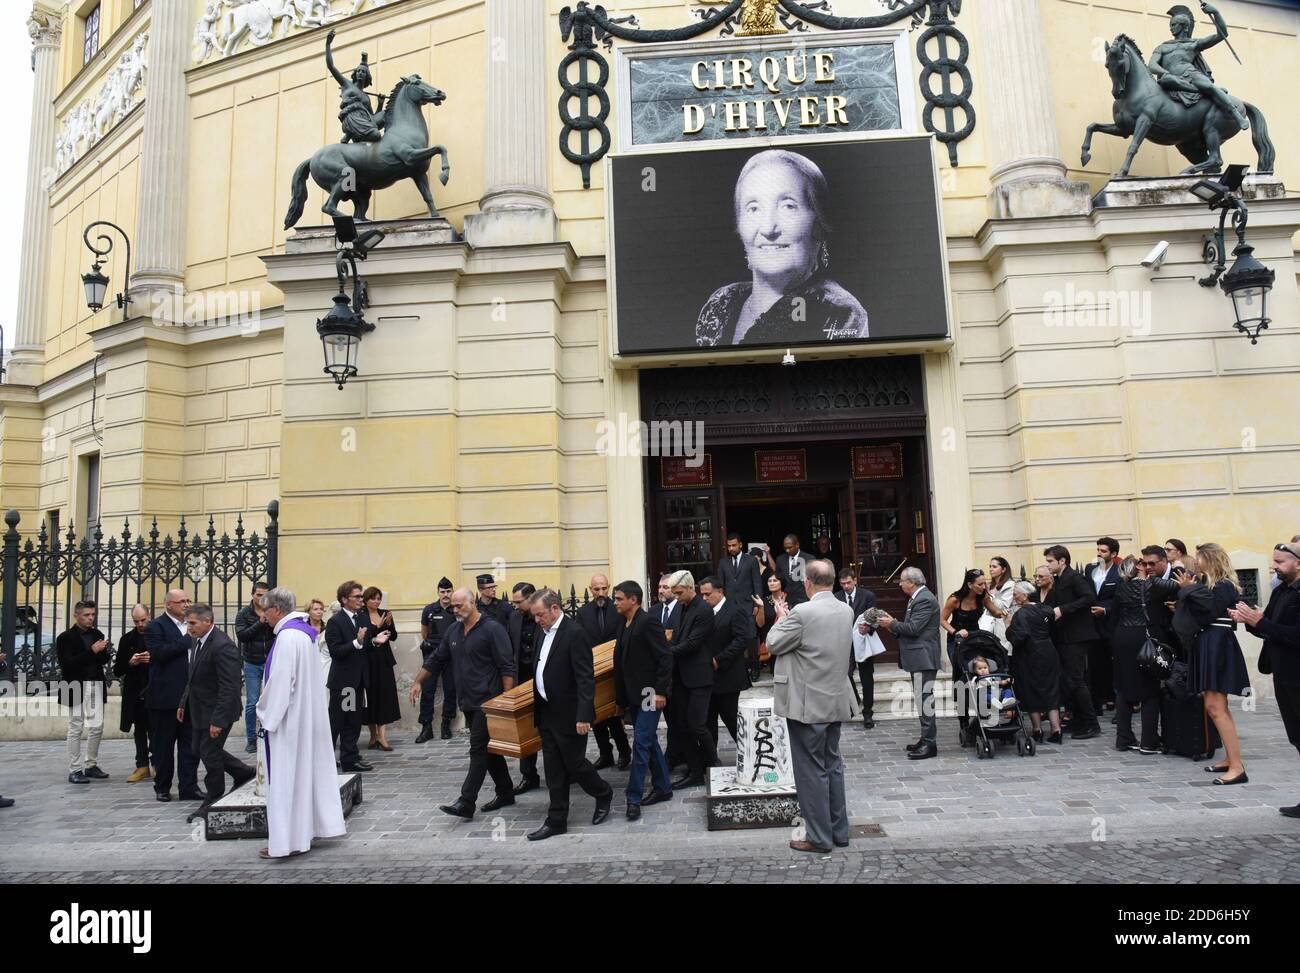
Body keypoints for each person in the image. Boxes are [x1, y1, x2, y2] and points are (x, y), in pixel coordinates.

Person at [695, 148, 868, 347]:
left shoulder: (839, 311)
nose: (768, 228)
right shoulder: (722, 302)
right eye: (753, 208)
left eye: (788, 206)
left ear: (819, 225)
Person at [767, 558, 857, 853]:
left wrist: (780, 616)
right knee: (833, 766)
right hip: (835, 699)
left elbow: (773, 644)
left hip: (807, 703)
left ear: (807, 582)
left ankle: (819, 837)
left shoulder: (803, 612)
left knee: (811, 771)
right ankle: (839, 831)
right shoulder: (846, 609)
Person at [255, 586, 347, 860]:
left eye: (265, 611)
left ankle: (285, 841)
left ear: (276, 609)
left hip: (288, 724)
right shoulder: (304, 635)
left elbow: (282, 685)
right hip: (305, 718)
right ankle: (303, 833)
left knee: (286, 782)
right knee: (304, 778)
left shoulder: (286, 639)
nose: (263, 617)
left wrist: (264, 715)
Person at [415, 588, 516, 821]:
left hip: (489, 702)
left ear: (473, 603)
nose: (455, 609)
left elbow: (506, 665)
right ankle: (506, 792)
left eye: (459, 605)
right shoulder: (454, 630)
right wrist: (418, 682)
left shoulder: (492, 629)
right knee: (489, 749)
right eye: (452, 606)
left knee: (478, 748)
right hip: (468, 701)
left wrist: (507, 698)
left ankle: (466, 801)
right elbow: (437, 658)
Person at [1154, 543, 1251, 785]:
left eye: (1199, 558)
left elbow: (1209, 611)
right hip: (1209, 644)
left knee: (1216, 708)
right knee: (1216, 707)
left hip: (1216, 645)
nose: (1196, 562)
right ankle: (1231, 759)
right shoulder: (1212, 585)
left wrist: (1190, 589)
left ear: (1211, 560)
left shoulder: (1224, 585)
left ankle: (1237, 767)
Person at [524, 589, 613, 840]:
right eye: (534, 616)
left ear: (555, 609)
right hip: (547, 712)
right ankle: (557, 820)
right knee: (553, 768)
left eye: (540, 614)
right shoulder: (542, 633)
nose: (537, 620)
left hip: (571, 714)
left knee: (575, 765)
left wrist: (584, 715)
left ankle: (603, 792)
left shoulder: (575, 634)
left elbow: (585, 678)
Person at [1231, 542, 1300, 816]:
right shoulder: (1282, 591)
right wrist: (1247, 621)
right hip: (1283, 675)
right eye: (1274, 561)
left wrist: (1260, 622)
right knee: (1296, 738)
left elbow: (1294, 635)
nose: (1274, 566)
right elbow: (1267, 629)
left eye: (1281, 562)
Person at [178, 604, 254, 821]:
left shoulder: (223, 646)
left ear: (207, 622)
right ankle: (243, 772)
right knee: (199, 748)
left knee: (210, 753)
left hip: (218, 711)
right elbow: (193, 678)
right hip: (200, 708)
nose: (189, 627)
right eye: (187, 622)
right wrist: (183, 703)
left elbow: (229, 687)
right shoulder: (198, 641)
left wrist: (218, 720)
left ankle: (213, 798)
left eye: (192, 623)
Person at [612, 580, 673, 820]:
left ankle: (633, 797)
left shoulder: (648, 622)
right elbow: (621, 664)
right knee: (649, 742)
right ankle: (663, 787)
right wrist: (620, 700)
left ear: (633, 600)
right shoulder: (623, 623)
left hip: (649, 694)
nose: (615, 602)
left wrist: (660, 692)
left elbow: (665, 657)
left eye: (619, 598)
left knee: (641, 743)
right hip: (633, 695)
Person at [1148, 3, 1249, 130]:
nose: (1171, 28)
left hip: (1189, 74)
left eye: (1174, 25)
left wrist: (1215, 12)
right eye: (1170, 25)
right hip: (1169, 78)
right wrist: (1165, 73)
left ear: (1184, 27)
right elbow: (1152, 65)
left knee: (1208, 86)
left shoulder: (1193, 44)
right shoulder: (1163, 47)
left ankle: (1236, 114)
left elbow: (1221, 34)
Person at [878, 567, 941, 760]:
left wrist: (891, 623)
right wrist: (893, 626)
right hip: (918, 657)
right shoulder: (917, 598)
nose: (900, 583)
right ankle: (925, 738)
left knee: (925, 700)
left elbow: (913, 628)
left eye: (902, 580)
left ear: (912, 582)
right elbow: (910, 628)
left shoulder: (924, 599)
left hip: (924, 657)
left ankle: (930, 743)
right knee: (922, 699)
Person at [146, 589, 203, 802]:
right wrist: (186, 640)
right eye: (182, 602)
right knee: (163, 746)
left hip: (190, 697)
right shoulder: (156, 626)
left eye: (188, 601)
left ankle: (189, 786)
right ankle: (162, 786)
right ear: (169, 604)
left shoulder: (194, 625)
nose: (187, 605)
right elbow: (159, 653)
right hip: (165, 697)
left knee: (190, 745)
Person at [666, 570, 718, 789]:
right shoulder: (678, 607)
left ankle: (713, 762)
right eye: (674, 593)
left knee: (697, 724)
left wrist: (664, 653)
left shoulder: (704, 610)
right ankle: (695, 769)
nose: (676, 597)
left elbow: (693, 643)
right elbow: (669, 633)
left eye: (679, 593)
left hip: (698, 677)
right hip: (679, 677)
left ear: (690, 588)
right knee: (682, 725)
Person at [1043, 545, 1102, 740]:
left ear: (1062, 561)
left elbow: (1089, 598)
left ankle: (1092, 724)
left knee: (1077, 680)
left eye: (1050, 561)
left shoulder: (1074, 578)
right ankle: (1078, 720)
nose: (1048, 565)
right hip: (1065, 637)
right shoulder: (1058, 580)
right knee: (1069, 681)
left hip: (1077, 636)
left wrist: (1063, 609)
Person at [941, 569, 1006, 741]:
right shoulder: (955, 599)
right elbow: (942, 620)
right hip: (957, 640)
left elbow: (994, 611)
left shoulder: (982, 596)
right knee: (963, 675)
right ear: (969, 584)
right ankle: (963, 720)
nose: (983, 586)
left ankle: (985, 709)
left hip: (975, 639)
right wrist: (955, 631)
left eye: (985, 583)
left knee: (979, 671)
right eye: (980, 584)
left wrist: (1003, 613)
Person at [577, 573, 631, 770]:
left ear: (609, 588)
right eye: (596, 589)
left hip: (616, 670)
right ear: (590, 590)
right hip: (593, 671)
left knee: (615, 715)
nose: (601, 593)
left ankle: (624, 752)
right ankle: (605, 753)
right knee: (596, 717)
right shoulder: (583, 613)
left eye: (604, 589)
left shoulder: (618, 609)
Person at [1109, 557, 1162, 755]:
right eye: (1143, 563)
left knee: (1123, 688)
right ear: (1138, 567)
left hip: (1122, 637)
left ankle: (1123, 738)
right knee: (1149, 689)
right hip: (1143, 637)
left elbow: (1113, 617)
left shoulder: (1121, 588)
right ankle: (1149, 742)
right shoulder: (1151, 586)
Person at [57, 601, 110, 785]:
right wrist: (92, 651)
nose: (90, 618)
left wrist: (103, 650)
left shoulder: (97, 634)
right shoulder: (65, 637)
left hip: (95, 682)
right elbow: (67, 664)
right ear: (76, 615)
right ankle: (75, 769)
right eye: (87, 615)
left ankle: (91, 764)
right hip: (74, 685)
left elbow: (104, 659)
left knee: (97, 726)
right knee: (75, 727)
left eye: (92, 615)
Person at [700, 575, 755, 746]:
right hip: (708, 677)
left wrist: (719, 660)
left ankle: (749, 751)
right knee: (708, 720)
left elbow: (741, 640)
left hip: (728, 675)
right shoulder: (704, 612)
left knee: (730, 718)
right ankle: (709, 759)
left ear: (720, 591)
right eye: (702, 594)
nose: (704, 598)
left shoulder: (735, 610)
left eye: (707, 594)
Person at [324, 580, 372, 773]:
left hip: (357, 680)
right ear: (344, 599)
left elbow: (364, 645)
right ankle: (324, 758)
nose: (361, 600)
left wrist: (374, 641)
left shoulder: (362, 618)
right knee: (338, 721)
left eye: (361, 596)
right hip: (344, 683)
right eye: (357, 596)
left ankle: (349, 758)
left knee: (352, 721)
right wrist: (355, 642)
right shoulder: (335, 622)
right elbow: (336, 651)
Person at [1006, 581, 1062, 743]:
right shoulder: (1046, 609)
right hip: (1048, 652)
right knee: (1051, 689)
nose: (1014, 596)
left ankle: (1037, 730)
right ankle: (1056, 729)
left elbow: (1018, 638)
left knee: (1031, 690)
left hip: (1029, 654)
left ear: (1025, 596)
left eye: (1016, 593)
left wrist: (1008, 626)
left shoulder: (1021, 614)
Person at [507, 581, 542, 793]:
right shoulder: (514, 618)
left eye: (519, 602)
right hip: (522, 682)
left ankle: (567, 770)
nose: (516, 606)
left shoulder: (545, 617)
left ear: (530, 598)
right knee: (525, 730)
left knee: (551, 730)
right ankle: (529, 776)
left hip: (544, 682)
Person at [113, 604, 153, 783]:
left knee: (157, 730)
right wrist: (131, 662)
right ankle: (142, 764)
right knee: (140, 730)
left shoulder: (158, 635)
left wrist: (152, 658)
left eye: (143, 620)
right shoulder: (127, 639)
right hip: (135, 690)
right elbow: (117, 669)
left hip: (155, 688)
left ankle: (157, 763)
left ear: (149, 616)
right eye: (136, 621)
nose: (140, 624)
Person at [324, 28, 386, 144]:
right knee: (376, 135)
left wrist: (380, 103)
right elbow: (331, 66)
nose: (360, 73)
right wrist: (328, 44)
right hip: (352, 117)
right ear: (355, 73)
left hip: (364, 120)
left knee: (386, 114)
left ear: (367, 76)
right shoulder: (347, 84)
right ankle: (350, 133)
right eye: (358, 71)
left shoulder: (366, 98)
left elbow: (372, 118)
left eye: (363, 72)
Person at [358, 586, 400, 751]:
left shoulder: (385, 612)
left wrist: (388, 625)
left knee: (384, 696)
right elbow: (364, 638)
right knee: (370, 698)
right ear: (366, 600)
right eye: (373, 598)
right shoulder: (361, 615)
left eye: (378, 598)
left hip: (383, 661)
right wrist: (377, 627)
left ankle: (382, 736)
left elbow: (394, 637)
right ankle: (373, 735)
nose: (376, 601)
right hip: (367, 660)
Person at [1084, 537, 1121, 715]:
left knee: (1114, 664)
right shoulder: (1090, 568)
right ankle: (1096, 701)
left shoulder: (1119, 572)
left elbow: (1121, 598)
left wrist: (1106, 610)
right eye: (1098, 550)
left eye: (1103, 551)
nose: (1099, 553)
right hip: (1092, 625)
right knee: (1095, 664)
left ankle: (1114, 698)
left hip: (1111, 623)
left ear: (1113, 554)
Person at [417, 579, 457, 742]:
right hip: (432, 654)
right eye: (443, 592)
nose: (446, 595)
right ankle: (426, 727)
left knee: (451, 689)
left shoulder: (456, 609)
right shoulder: (429, 610)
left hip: (451, 654)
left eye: (448, 591)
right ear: (438, 592)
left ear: (452, 592)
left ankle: (446, 724)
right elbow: (424, 632)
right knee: (427, 690)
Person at [234, 583, 273, 755]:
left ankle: (270, 735)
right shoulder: (244, 613)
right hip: (251, 662)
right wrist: (259, 622)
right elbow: (242, 636)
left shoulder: (273, 611)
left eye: (265, 595)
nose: (261, 598)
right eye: (258, 595)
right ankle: (251, 739)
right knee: (252, 702)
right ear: (252, 595)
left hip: (271, 661)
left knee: (272, 700)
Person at [838, 568, 876, 728]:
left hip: (863, 641)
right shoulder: (837, 597)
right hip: (845, 642)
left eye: (848, 582)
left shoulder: (867, 595)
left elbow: (873, 616)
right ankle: (855, 700)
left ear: (855, 580)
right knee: (846, 674)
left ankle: (868, 713)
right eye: (842, 584)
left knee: (867, 677)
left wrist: (869, 627)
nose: (846, 586)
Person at [719, 533, 764, 606]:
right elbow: (721, 585)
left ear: (740, 545)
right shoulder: (723, 562)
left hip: (748, 604)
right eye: (729, 546)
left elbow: (757, 584)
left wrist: (756, 605)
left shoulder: (751, 560)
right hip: (729, 604)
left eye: (734, 545)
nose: (731, 548)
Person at [981, 557, 1016, 649]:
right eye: (990, 566)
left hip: (1002, 625)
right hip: (987, 625)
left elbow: (1003, 607)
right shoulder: (989, 585)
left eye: (994, 566)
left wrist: (989, 596)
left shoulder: (1010, 585)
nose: (990, 569)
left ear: (1003, 569)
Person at [776, 534, 813, 607]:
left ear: (797, 545)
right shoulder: (780, 559)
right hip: (787, 600)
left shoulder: (809, 559)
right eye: (785, 548)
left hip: (805, 599)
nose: (787, 550)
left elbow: (813, 579)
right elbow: (779, 577)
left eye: (790, 547)